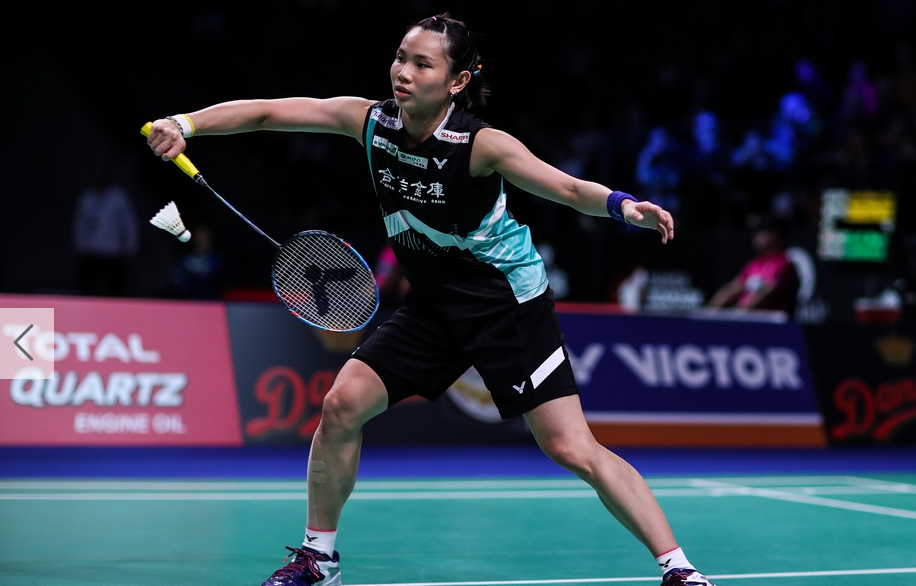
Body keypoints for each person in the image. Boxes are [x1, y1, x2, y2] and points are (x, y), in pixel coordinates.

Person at [146, 14, 714, 586]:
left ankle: (679, 568)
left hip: (506, 305)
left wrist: (623, 207)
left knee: (570, 447)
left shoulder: (481, 145)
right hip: (435, 304)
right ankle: (319, 558)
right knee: (342, 406)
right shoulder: (369, 122)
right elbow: (270, 112)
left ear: (458, 81)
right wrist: (184, 123)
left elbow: (565, 188)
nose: (404, 72)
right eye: (400, 57)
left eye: (423, 64)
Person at [72, 162, 139, 296]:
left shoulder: (118, 196)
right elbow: (79, 223)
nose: (99, 177)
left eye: (102, 174)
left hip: (112, 250)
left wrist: (130, 245)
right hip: (90, 249)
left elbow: (128, 222)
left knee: (115, 287)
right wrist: (79, 244)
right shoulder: (87, 197)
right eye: (96, 174)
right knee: (85, 286)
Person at [707, 219, 800, 315]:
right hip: (747, 318)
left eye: (762, 232)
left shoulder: (783, 263)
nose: (757, 237)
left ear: (775, 235)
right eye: (757, 233)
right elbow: (734, 288)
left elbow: (767, 291)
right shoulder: (754, 263)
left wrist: (740, 312)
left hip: (770, 319)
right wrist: (710, 310)